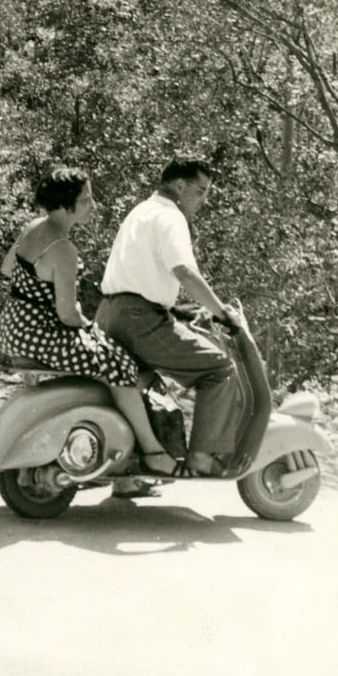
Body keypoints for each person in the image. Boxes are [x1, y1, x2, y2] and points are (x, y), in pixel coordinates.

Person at [0, 166, 173, 471]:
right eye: (86, 199)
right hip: (42, 333)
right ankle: (153, 452)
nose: (92, 205)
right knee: (121, 364)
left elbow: (7, 268)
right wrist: (92, 329)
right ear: (66, 205)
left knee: (109, 353)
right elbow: (67, 314)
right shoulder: (63, 248)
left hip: (13, 327)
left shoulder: (33, 227)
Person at [95, 156, 241, 476]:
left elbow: (140, 275)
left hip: (110, 314)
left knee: (146, 382)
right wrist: (221, 313)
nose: (203, 201)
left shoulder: (141, 211)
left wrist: (178, 309)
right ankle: (202, 457)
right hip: (139, 319)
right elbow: (184, 272)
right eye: (200, 192)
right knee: (219, 368)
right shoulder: (170, 217)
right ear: (179, 185)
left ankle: (131, 473)